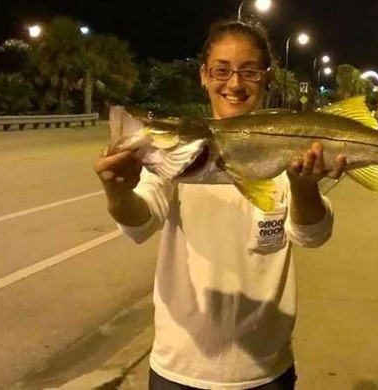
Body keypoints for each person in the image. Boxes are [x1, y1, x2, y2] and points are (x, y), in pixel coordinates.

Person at [94, 19, 346, 390]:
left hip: (265, 371)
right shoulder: (177, 155)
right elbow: (139, 223)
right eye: (221, 71)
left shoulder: (287, 145)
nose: (234, 84)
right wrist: (117, 190)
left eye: (249, 71)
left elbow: (312, 235)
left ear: (266, 77)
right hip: (179, 368)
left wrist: (304, 188)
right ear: (204, 76)